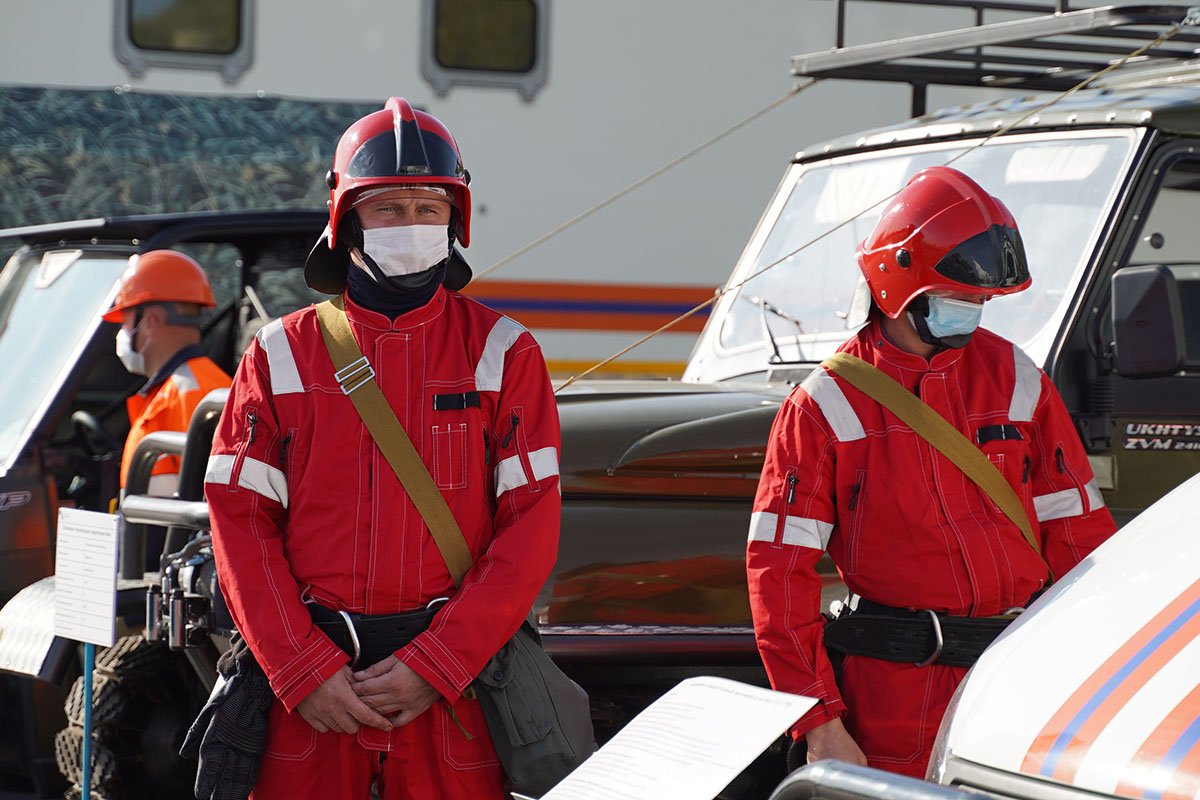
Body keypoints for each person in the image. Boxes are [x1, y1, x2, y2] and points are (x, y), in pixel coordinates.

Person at [204, 97, 562, 799]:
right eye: (389, 209)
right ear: (346, 219)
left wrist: (438, 664)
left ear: (455, 220)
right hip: (310, 705)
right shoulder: (279, 356)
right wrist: (301, 670)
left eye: (429, 209)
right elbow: (240, 524)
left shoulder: (504, 353)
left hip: (449, 706)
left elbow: (531, 528)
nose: (411, 226)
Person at [746, 166, 1117, 778]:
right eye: (960, 296)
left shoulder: (1017, 379)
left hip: (1012, 682)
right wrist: (819, 725)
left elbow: (1081, 541)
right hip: (890, 695)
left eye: (980, 300)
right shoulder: (824, 405)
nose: (974, 311)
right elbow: (778, 577)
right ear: (900, 283)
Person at [102, 249, 232, 496]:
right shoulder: (179, 387)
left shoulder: (198, 393)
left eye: (126, 322)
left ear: (150, 321)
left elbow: (214, 500)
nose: (122, 332)